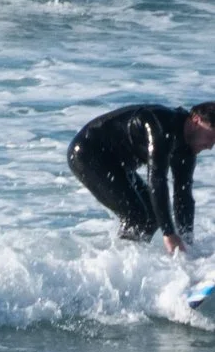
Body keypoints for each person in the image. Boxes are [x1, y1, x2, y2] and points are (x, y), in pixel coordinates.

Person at [67, 102, 215, 250]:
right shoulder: (162, 126)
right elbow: (157, 180)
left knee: (152, 216)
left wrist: (187, 242)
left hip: (118, 164)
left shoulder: (188, 149)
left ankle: (131, 259)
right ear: (196, 121)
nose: (210, 146)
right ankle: (120, 261)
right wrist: (169, 234)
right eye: (212, 136)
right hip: (87, 153)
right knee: (136, 216)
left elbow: (183, 195)